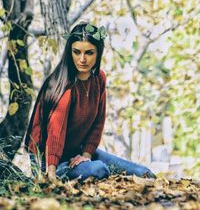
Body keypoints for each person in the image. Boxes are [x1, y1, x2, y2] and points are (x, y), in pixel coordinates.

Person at [25, 22, 156, 182]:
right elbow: (55, 134)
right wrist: (50, 175)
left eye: (89, 53)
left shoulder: (99, 79)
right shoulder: (65, 86)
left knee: (144, 173)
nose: (82, 59)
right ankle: (64, 173)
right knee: (99, 169)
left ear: (98, 53)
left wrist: (85, 156)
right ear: (69, 52)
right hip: (48, 161)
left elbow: (98, 123)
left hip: (76, 151)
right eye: (76, 52)